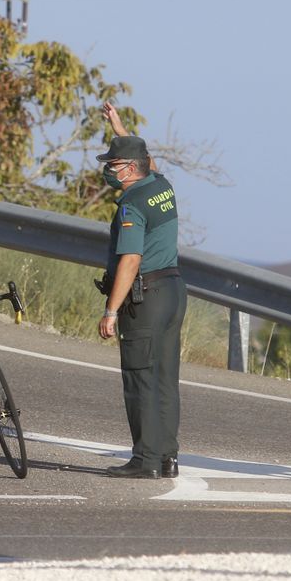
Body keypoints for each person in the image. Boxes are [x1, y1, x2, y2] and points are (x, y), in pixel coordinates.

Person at [96, 101, 185, 478]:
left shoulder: (131, 203)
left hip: (145, 298)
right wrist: (120, 129)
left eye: (114, 165)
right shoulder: (160, 185)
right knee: (165, 378)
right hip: (174, 291)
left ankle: (144, 460)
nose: (108, 170)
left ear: (131, 169)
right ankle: (166, 458)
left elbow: (130, 260)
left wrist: (111, 311)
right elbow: (147, 159)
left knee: (140, 378)